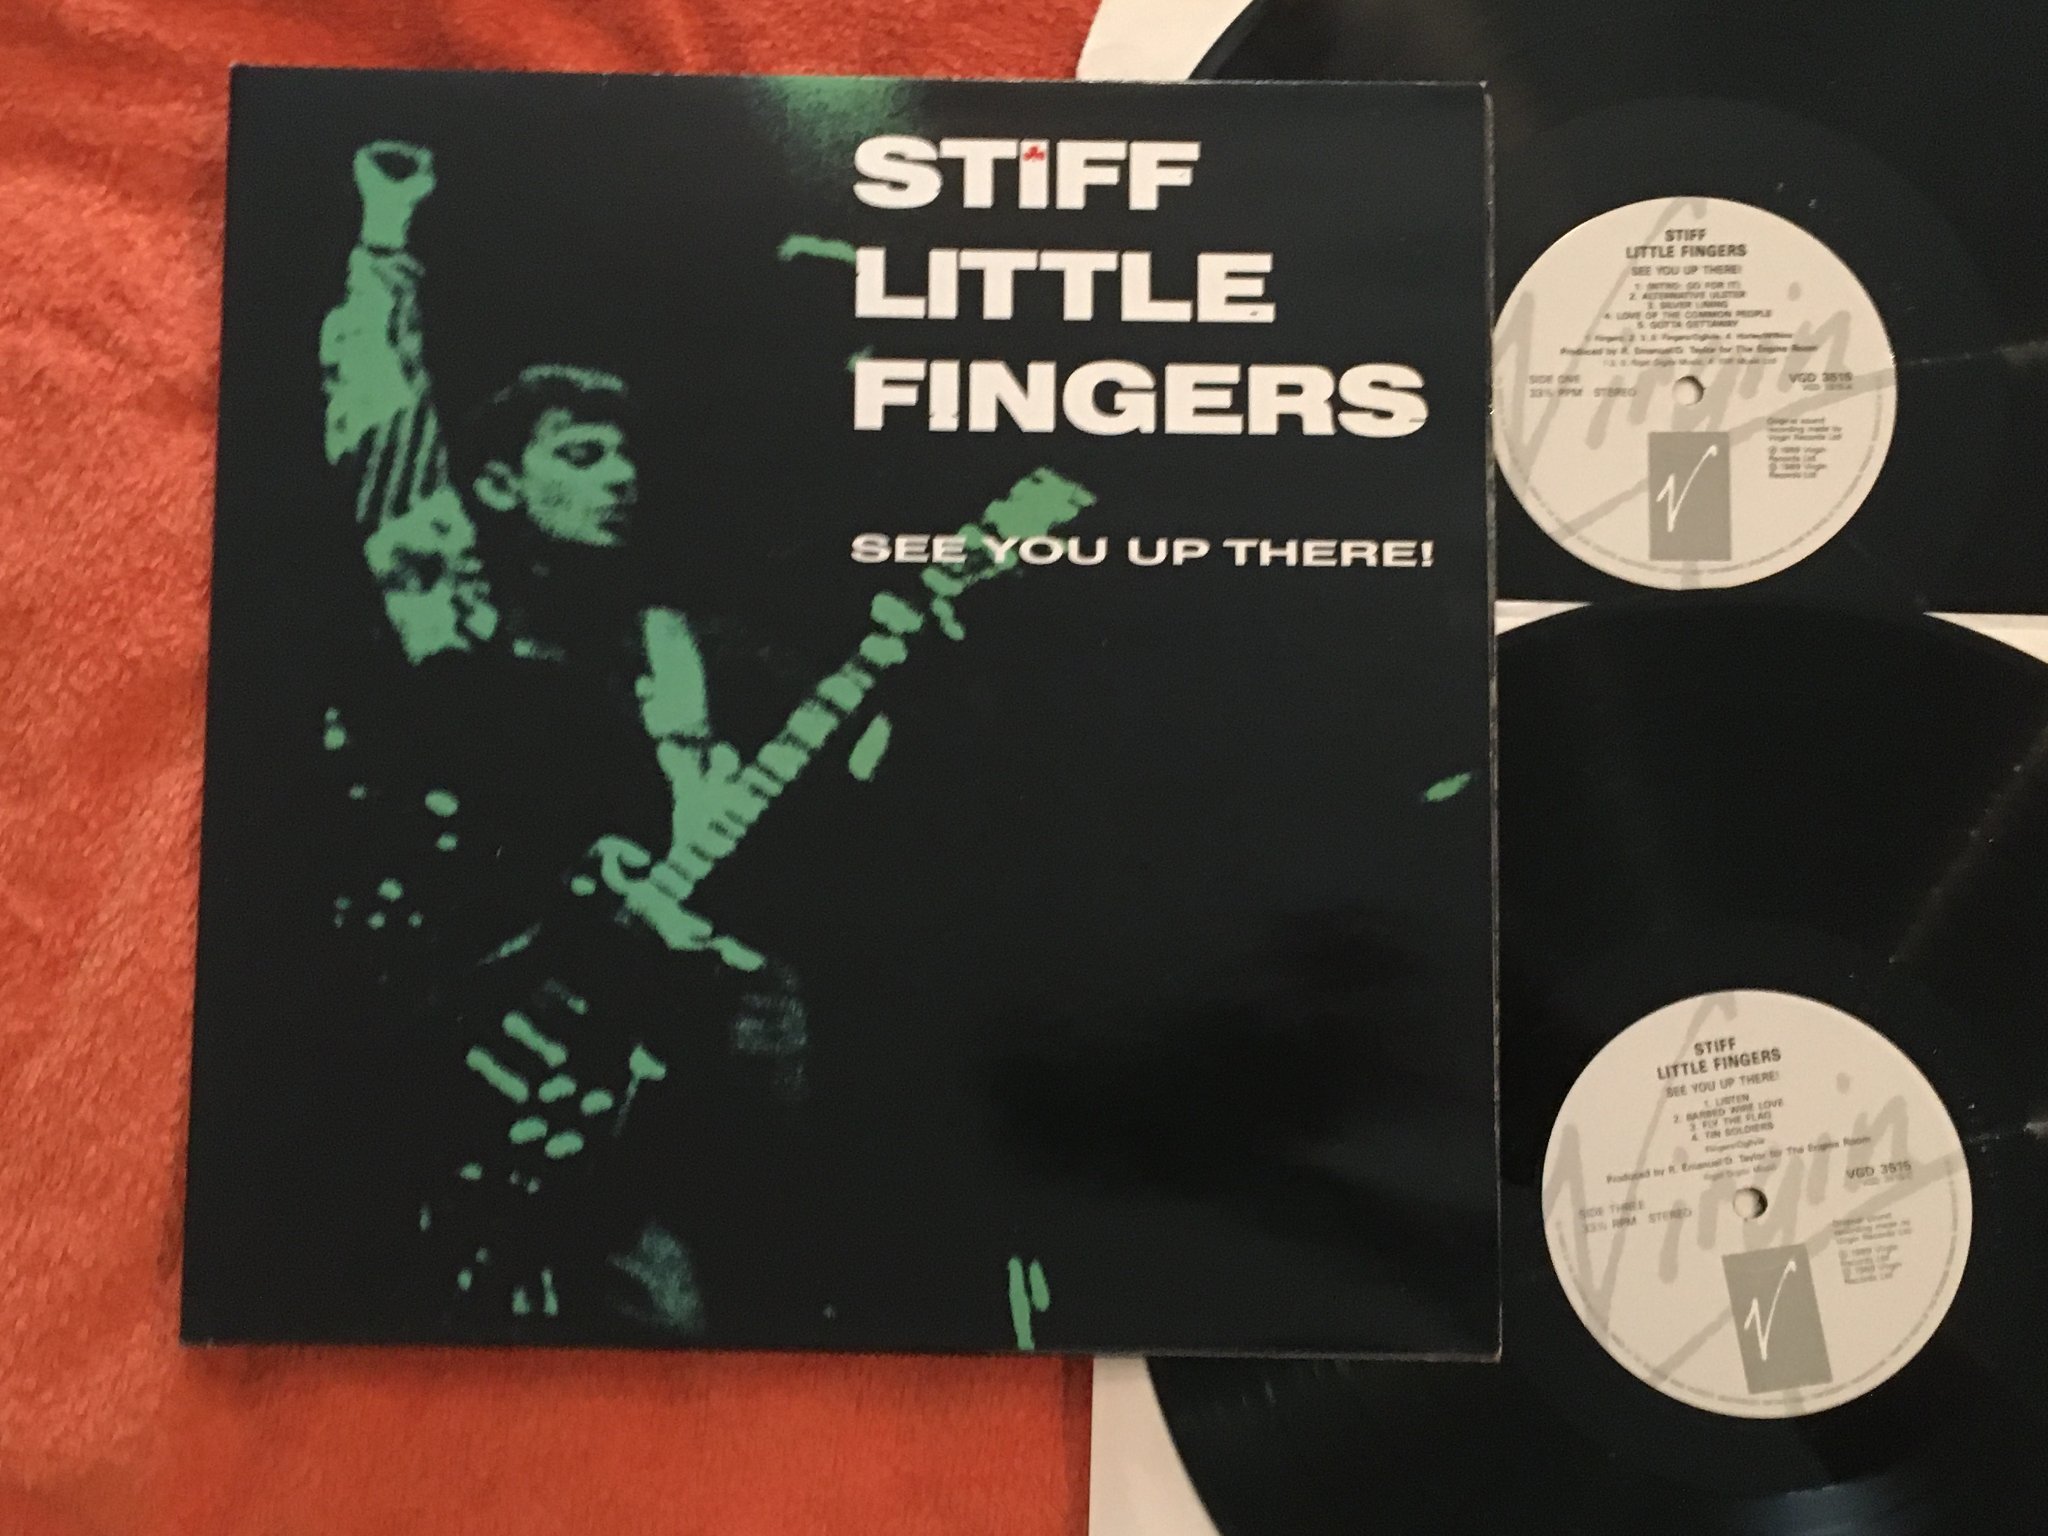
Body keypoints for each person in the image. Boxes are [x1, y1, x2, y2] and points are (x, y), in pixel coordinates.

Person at [313, 140, 805, 1339]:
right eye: (581, 456)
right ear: (496, 486)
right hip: (443, 1076)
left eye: (627, 454)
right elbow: (384, 449)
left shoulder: (685, 652)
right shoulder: (453, 623)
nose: (621, 476)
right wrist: (385, 241)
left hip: (638, 1088)